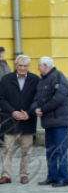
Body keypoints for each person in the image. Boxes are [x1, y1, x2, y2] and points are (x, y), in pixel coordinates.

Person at [0, 55, 39, 184]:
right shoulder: (5, 80)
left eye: (25, 66)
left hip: (28, 119)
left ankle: (24, 174)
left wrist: (28, 113)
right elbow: (1, 99)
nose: (23, 68)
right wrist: (13, 112)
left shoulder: (35, 79)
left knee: (26, 149)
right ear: (16, 66)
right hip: (9, 119)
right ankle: (6, 175)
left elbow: (38, 99)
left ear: (28, 66)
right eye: (20, 66)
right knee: (7, 149)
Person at [34, 57, 68, 187]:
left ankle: (63, 178)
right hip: (49, 121)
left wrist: (42, 109)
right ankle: (52, 176)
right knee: (50, 150)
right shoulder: (42, 80)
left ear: (45, 65)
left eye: (39, 66)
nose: (38, 68)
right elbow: (37, 98)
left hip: (59, 121)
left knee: (60, 150)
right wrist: (35, 109)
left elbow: (58, 98)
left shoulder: (58, 76)